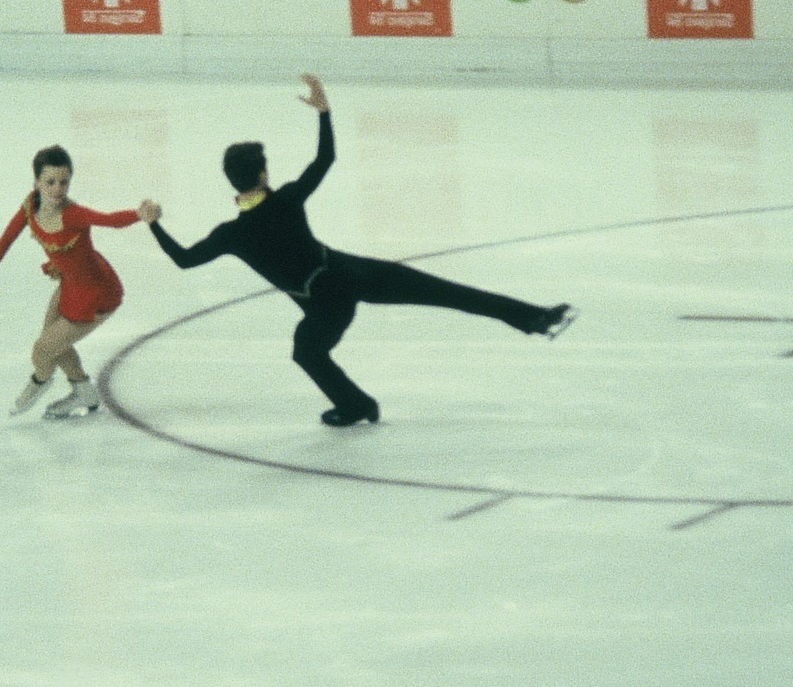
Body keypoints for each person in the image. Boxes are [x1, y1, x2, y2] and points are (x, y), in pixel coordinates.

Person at [144, 76, 574, 427]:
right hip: (350, 272)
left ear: (231, 181)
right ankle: (535, 317)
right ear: (262, 172)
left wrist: (154, 223)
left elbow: (183, 259)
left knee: (307, 350)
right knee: (447, 292)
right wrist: (324, 112)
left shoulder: (230, 234)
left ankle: (357, 405)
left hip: (324, 304)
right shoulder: (287, 200)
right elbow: (325, 159)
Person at [0, 146, 146, 419]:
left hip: (96, 292)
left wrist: (139, 214)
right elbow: (4, 241)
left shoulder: (73, 214)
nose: (58, 189)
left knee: (43, 350)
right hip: (69, 284)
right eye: (50, 182)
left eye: (64, 182)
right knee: (53, 347)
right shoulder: (30, 206)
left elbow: (108, 220)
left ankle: (40, 382)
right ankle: (84, 391)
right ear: (36, 182)